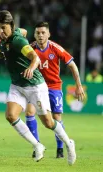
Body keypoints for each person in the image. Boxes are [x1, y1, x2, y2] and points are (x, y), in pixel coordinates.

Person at [0, 10, 76, 165]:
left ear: (11, 26)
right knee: (11, 115)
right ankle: (37, 145)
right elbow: (22, 31)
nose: (1, 31)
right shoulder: (8, 38)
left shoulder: (18, 42)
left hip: (35, 85)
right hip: (17, 84)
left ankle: (69, 144)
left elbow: (35, 57)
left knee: (49, 123)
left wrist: (31, 67)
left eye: (3, 27)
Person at [25, 22, 86, 158]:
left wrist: (79, 85)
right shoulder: (30, 48)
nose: (40, 35)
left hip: (53, 86)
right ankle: (37, 146)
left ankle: (60, 149)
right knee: (29, 113)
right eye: (37, 33)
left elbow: (73, 65)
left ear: (48, 34)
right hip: (35, 86)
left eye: (43, 32)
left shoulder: (55, 48)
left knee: (56, 118)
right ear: (34, 35)